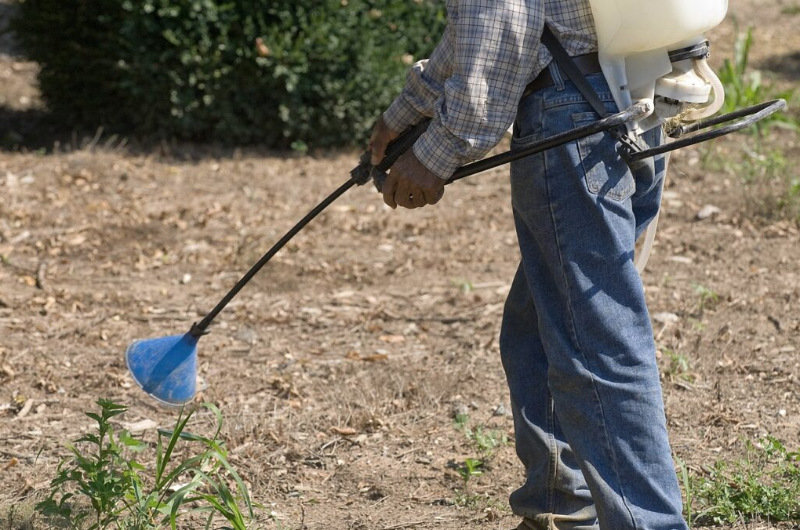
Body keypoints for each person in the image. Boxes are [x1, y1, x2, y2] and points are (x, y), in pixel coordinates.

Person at [368, 1, 688, 529]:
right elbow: (485, 26)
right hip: (636, 94)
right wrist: (404, 114)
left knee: (598, 345)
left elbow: (502, 26)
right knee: (537, 323)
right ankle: (560, 507)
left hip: (573, 109)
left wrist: (438, 150)